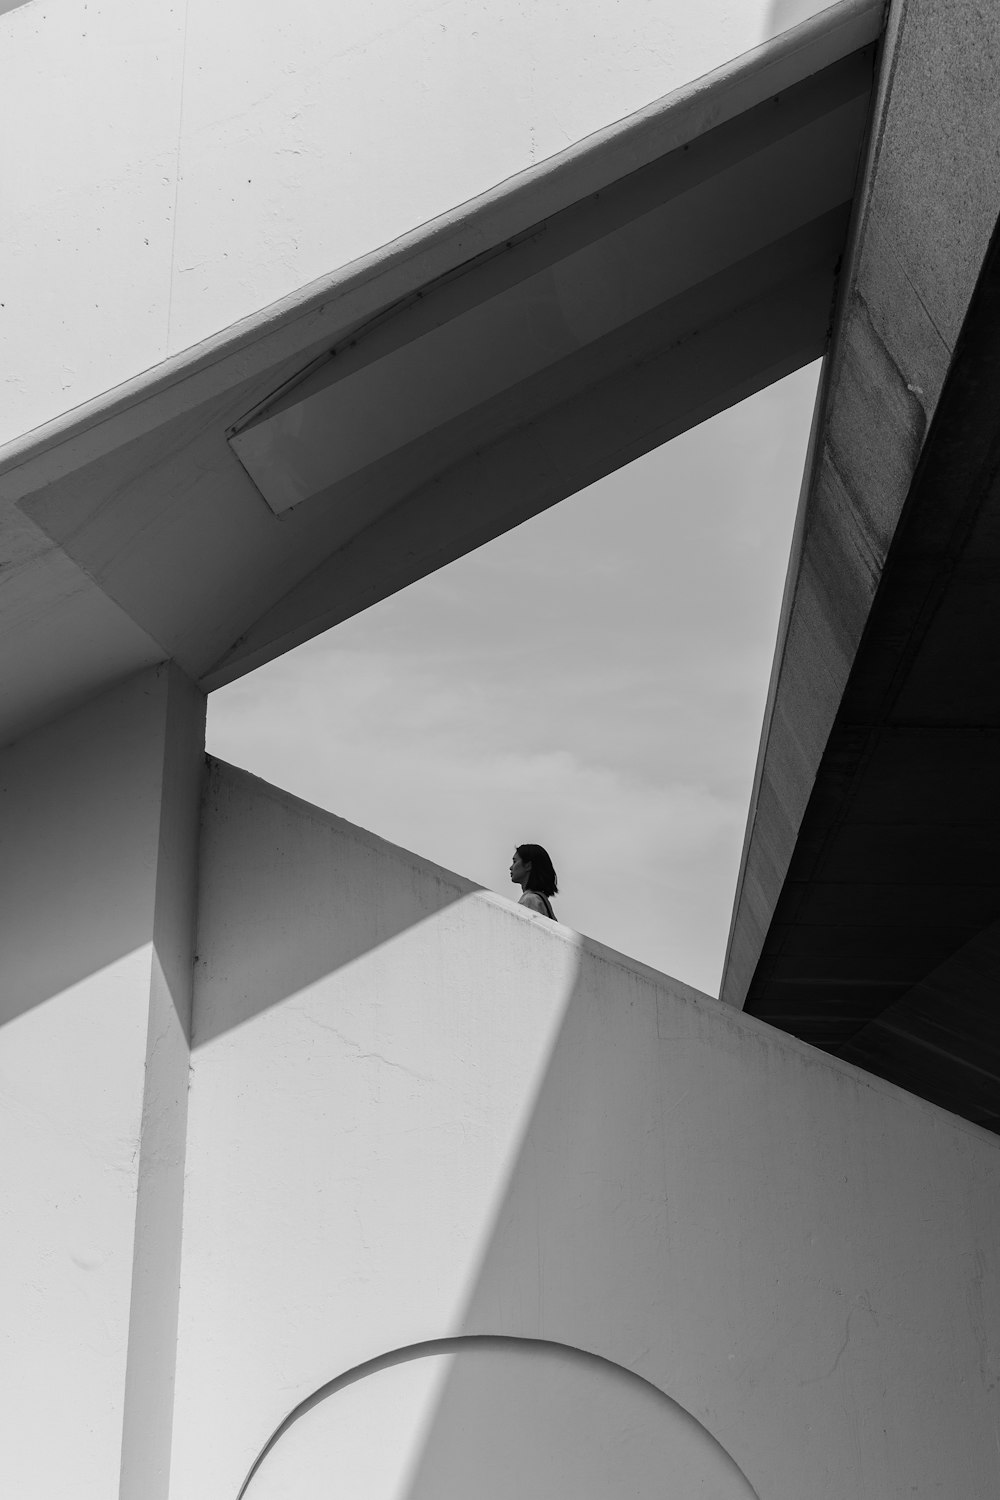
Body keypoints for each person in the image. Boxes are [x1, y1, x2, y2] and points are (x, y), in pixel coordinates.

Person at [509, 843, 558, 919]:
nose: (511, 867)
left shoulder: (530, 900)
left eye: (515, 862)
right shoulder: (539, 899)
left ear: (528, 865)